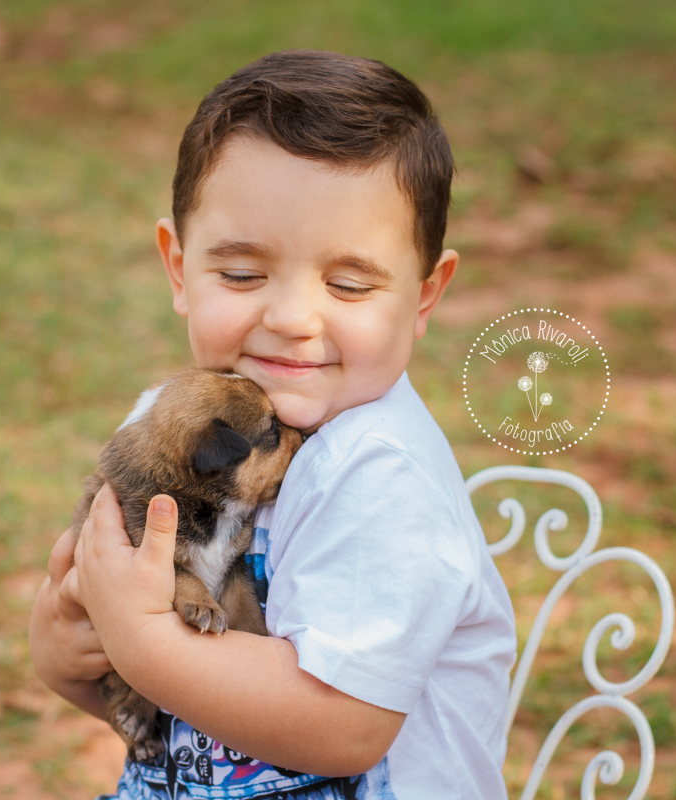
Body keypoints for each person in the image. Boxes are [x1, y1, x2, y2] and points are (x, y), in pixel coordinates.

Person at [29, 50, 517, 800]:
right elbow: (173, 705)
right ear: (177, 267)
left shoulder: (380, 476)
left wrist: (144, 640)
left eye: (349, 284)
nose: (291, 320)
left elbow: (344, 728)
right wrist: (72, 653)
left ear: (424, 297)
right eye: (243, 275)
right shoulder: (168, 429)